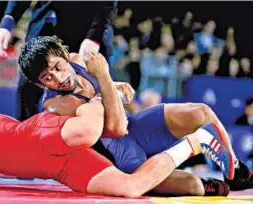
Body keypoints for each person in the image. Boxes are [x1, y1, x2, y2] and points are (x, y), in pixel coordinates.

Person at [18, 36, 253, 191]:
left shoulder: (79, 61)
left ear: (65, 55)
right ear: (40, 85)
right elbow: (115, 128)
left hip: (137, 127)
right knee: (193, 186)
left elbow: (118, 110)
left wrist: (112, 85)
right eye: (47, 78)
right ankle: (207, 183)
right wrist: (105, 78)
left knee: (200, 112)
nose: (59, 79)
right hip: (122, 156)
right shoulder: (55, 106)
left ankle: (236, 171)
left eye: (58, 68)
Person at [0, 98, 230, 197]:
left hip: (43, 133)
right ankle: (195, 144)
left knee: (85, 131)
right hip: (60, 167)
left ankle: (97, 100)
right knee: (130, 188)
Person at [0, 1, 117, 121]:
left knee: (99, 94)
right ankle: (28, 138)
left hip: (88, 31)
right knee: (28, 89)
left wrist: (94, 35)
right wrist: (9, 19)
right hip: (44, 26)